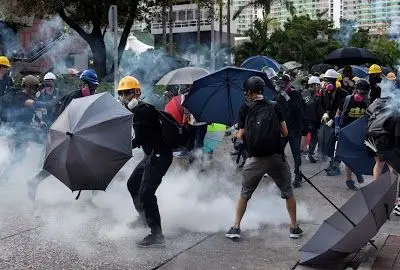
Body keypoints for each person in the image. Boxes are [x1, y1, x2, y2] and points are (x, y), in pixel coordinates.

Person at [225, 76, 303, 240]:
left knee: (245, 194)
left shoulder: (244, 108)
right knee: (288, 193)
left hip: (255, 159)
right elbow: (285, 133)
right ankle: (294, 228)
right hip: (276, 157)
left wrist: (235, 134)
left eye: (247, 91)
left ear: (250, 92)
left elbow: (240, 136)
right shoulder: (275, 106)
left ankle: (235, 227)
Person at [27, 69, 99, 201]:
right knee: (57, 164)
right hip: (64, 134)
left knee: (90, 162)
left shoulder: (89, 97)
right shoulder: (73, 97)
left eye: (95, 87)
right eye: (92, 86)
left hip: (78, 136)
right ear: (84, 84)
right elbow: (63, 118)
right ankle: (34, 182)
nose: (94, 90)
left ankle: (94, 195)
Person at [118, 76, 173, 248]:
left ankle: (157, 235)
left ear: (137, 93)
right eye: (122, 93)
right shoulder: (137, 111)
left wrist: (122, 147)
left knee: (146, 193)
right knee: (132, 183)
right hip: (151, 155)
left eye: (128, 93)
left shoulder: (142, 111)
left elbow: (139, 139)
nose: (125, 97)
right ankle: (143, 218)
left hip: (159, 156)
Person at [0, 75, 41, 181]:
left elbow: (32, 112)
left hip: (23, 130)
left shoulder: (29, 97)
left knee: (19, 155)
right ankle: (4, 176)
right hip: (16, 129)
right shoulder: (20, 96)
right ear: (29, 87)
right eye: (34, 87)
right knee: (19, 154)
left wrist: (39, 121)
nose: (35, 90)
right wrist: (51, 103)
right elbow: (34, 104)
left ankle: (5, 175)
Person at [336, 79, 370, 191]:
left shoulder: (366, 102)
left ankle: (357, 171)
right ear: (355, 90)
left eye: (366, 93)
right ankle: (349, 180)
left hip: (360, 133)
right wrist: (337, 126)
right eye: (362, 93)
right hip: (347, 132)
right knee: (349, 157)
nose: (364, 96)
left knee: (359, 155)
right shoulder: (347, 100)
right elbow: (338, 112)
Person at [275, 74, 306, 188]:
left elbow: (297, 108)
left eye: (283, 84)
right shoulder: (278, 95)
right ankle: (281, 175)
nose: (281, 87)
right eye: (280, 84)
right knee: (278, 153)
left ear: (288, 84)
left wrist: (287, 97)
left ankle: (298, 176)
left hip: (294, 129)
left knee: (296, 154)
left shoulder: (296, 93)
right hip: (283, 129)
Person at [321, 69, 349, 176]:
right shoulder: (326, 92)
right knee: (329, 144)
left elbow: (342, 108)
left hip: (339, 122)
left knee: (337, 145)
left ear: (334, 81)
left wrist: (336, 121)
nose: (326, 82)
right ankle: (331, 163)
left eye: (328, 80)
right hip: (329, 121)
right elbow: (325, 106)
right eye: (325, 80)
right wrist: (325, 115)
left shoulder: (342, 93)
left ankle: (336, 166)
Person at [302, 76, 324, 163]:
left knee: (312, 137)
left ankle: (308, 152)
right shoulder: (309, 94)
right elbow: (310, 108)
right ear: (314, 85)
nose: (318, 87)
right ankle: (309, 153)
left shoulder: (306, 93)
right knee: (314, 137)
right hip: (311, 120)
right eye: (317, 85)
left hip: (307, 119)